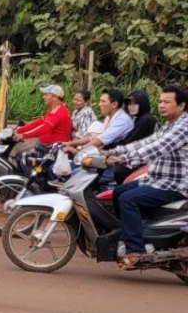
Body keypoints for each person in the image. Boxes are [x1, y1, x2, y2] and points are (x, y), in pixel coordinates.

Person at [103, 85, 188, 268]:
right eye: (160, 101)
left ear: (181, 106)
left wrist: (122, 158)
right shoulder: (170, 124)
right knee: (118, 191)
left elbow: (157, 148)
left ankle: (136, 252)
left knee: (128, 199)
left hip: (175, 184)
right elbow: (146, 142)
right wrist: (107, 152)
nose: (161, 105)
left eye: (167, 102)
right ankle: (137, 233)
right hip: (157, 179)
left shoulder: (184, 127)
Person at [66, 88, 132, 152]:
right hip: (108, 151)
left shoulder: (122, 120)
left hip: (119, 156)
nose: (99, 104)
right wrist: (68, 144)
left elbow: (100, 140)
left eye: (103, 101)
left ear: (114, 104)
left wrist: (79, 150)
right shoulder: (108, 117)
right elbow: (94, 138)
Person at [14, 84, 72, 149]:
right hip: (47, 145)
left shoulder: (59, 111)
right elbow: (39, 122)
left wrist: (23, 135)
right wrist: (20, 130)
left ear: (55, 97)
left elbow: (44, 128)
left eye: (46, 95)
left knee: (24, 156)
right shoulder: (55, 109)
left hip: (54, 148)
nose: (43, 97)